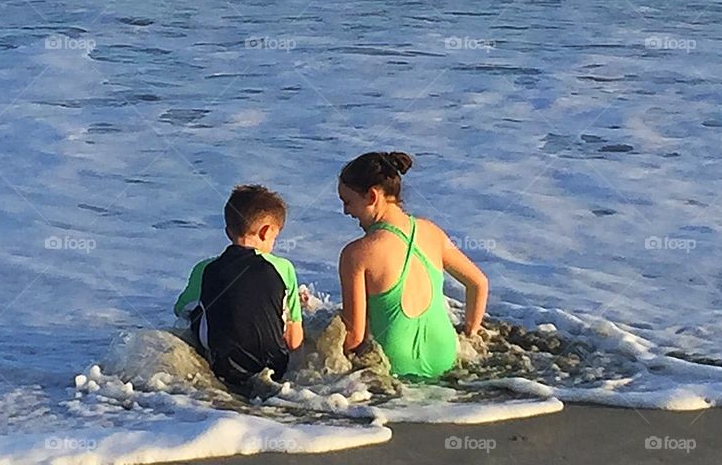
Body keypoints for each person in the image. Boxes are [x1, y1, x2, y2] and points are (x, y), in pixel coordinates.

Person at [337, 151, 488, 378]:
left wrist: (317, 351)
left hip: (395, 360)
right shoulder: (431, 232)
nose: (345, 211)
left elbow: (354, 336)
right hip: (444, 352)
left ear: (371, 196)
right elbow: (478, 283)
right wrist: (471, 332)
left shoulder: (357, 254)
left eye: (347, 202)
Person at [174, 184, 304, 387]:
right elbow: (294, 341)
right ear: (266, 232)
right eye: (275, 238)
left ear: (228, 232)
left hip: (223, 368)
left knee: (198, 311)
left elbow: (180, 309)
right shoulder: (283, 268)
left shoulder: (205, 268)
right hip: (275, 370)